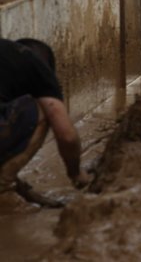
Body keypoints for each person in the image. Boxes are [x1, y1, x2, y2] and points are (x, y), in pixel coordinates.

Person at [1, 38, 89, 192]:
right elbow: (66, 135)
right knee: (47, 109)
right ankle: (3, 185)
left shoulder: (7, 53)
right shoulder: (38, 69)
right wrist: (75, 173)